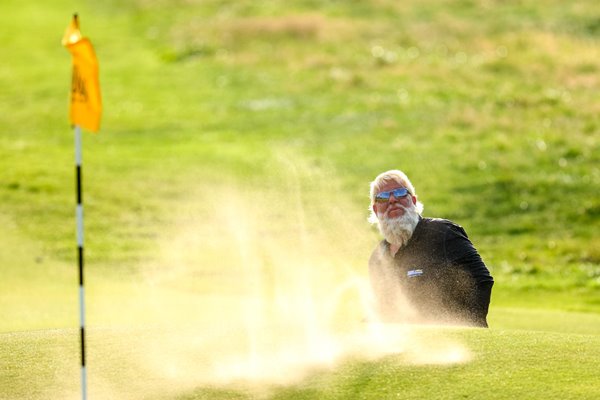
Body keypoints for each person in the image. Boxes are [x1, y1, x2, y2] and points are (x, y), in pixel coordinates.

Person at [368, 169, 494, 327]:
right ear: (375, 210)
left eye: (400, 193)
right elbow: (381, 308)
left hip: (456, 341)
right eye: (383, 197)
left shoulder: (444, 234)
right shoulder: (378, 257)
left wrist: (459, 327)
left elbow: (481, 282)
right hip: (408, 346)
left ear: (413, 201)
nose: (392, 200)